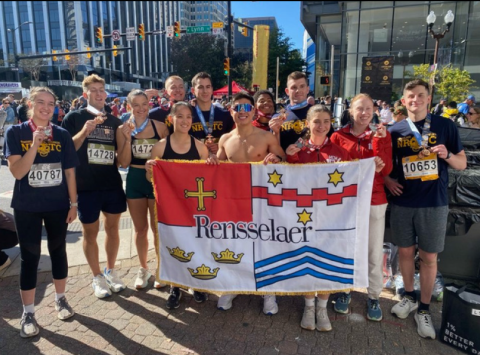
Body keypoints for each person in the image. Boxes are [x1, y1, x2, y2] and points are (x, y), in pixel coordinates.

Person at [385, 79, 466, 339]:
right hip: (403, 201)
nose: (415, 100)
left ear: (428, 98)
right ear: (404, 100)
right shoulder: (394, 129)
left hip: (434, 202)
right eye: (410, 96)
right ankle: (409, 296)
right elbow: (386, 165)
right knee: (406, 252)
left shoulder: (445, 125)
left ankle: (424, 309)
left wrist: (447, 155)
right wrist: (388, 180)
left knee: (429, 257)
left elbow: (462, 164)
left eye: (420, 95)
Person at [4, 87, 79, 337]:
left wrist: (74, 203)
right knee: (30, 257)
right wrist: (34, 145)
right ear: (29, 104)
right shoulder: (15, 132)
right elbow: (17, 172)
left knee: (58, 251)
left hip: (57, 205)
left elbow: (69, 171)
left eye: (51, 103)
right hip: (27, 205)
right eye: (40, 102)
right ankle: (28, 312)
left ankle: (60, 298)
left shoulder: (63, 134)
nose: (46, 107)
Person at [214, 92, 286, 314]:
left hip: (263, 202)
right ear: (231, 111)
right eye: (238, 108)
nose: (242, 112)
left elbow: (284, 161)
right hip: (235, 201)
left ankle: (268, 291)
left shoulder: (266, 137)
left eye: (247, 108)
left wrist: (277, 159)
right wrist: (210, 161)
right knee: (235, 243)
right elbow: (216, 167)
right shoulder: (225, 139)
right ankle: (233, 285)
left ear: (254, 111)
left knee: (264, 245)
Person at [285, 105, 351, 331]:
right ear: (307, 124)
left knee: (325, 258)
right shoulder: (297, 150)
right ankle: (308, 305)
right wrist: (289, 158)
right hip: (303, 214)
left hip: (331, 215)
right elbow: (290, 181)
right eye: (316, 121)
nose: (321, 125)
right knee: (306, 257)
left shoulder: (340, 151)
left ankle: (322, 306)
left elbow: (350, 178)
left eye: (326, 121)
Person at [62, 74, 127, 299]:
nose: (99, 94)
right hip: (86, 186)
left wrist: (126, 139)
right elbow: (66, 150)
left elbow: (121, 157)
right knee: (90, 232)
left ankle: (110, 271)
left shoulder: (114, 120)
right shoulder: (73, 117)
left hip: (111, 184)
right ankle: (96, 276)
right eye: (94, 90)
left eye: (102, 89)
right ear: (85, 94)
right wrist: (85, 131)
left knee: (112, 229)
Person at [330, 93, 392, 322]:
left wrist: (378, 142)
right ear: (350, 111)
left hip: (374, 200)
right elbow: (331, 168)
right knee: (346, 248)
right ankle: (345, 290)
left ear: (374, 110)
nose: (364, 113)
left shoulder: (382, 134)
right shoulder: (337, 136)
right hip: (347, 201)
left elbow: (386, 170)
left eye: (368, 108)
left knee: (373, 251)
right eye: (359, 108)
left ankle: (374, 295)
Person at [146, 101, 211, 309]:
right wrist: (149, 170)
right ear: (171, 119)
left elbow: (208, 178)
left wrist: (212, 163)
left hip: (193, 207)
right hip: (170, 209)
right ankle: (175, 285)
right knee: (173, 247)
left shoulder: (200, 147)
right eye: (180, 116)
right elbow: (152, 180)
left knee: (195, 245)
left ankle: (196, 283)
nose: (185, 121)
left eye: (188, 117)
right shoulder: (160, 147)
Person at [116, 90, 169, 290]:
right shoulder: (123, 129)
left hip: (156, 180)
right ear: (129, 106)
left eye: (144, 104)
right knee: (140, 230)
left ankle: (161, 269)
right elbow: (124, 162)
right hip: (135, 179)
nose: (140, 109)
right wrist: (128, 139)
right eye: (135, 105)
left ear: (149, 104)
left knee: (157, 229)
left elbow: (168, 156)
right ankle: (143, 268)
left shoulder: (161, 127)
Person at [189, 72, 234, 155]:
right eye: (200, 87)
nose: (205, 91)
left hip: (219, 162)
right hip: (195, 162)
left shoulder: (225, 115)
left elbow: (235, 139)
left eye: (208, 87)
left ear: (212, 89)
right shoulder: (187, 115)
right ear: (193, 90)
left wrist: (220, 146)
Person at [269, 71, 314, 152]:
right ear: (287, 91)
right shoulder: (278, 117)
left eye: (302, 86)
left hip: (312, 163)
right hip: (285, 163)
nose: (298, 90)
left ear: (307, 89)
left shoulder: (318, 114)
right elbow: (273, 148)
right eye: (294, 87)